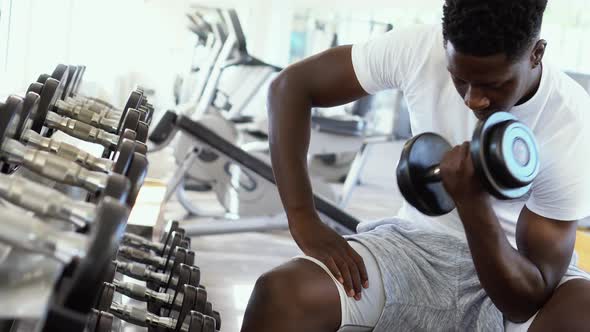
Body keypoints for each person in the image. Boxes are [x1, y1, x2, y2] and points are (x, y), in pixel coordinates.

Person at [240, 0, 590, 331]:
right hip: (417, 248)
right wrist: (303, 219)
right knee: (283, 295)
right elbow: (291, 86)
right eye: (460, 79)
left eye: (493, 85)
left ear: (536, 54)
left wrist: (473, 204)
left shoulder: (571, 121)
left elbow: (524, 299)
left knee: (583, 313)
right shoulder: (421, 48)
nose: (473, 99)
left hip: (516, 269)